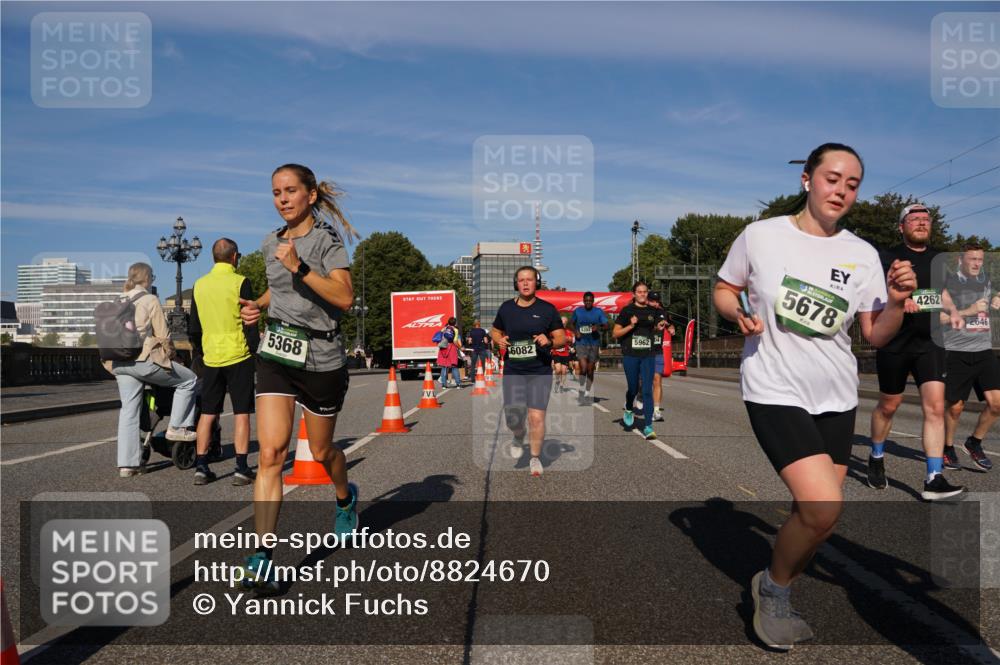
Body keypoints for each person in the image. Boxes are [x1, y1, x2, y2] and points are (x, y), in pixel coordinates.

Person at [713, 143, 915, 649]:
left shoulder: (863, 254)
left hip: (837, 394)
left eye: (852, 184)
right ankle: (775, 592)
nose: (841, 190)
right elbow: (724, 286)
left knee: (819, 519)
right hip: (773, 385)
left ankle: (773, 580)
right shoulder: (761, 235)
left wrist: (895, 303)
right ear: (807, 179)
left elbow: (875, 335)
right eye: (832, 178)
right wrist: (735, 314)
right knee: (823, 508)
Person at [238, 163, 359, 593]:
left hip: (322, 357)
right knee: (271, 453)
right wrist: (257, 304)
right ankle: (263, 555)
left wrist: (302, 267)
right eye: (275, 192)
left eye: (290, 190)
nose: (282, 198)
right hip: (278, 354)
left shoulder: (326, 240)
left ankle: (345, 498)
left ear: (310, 195)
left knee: (324, 451)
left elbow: (344, 297)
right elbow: (280, 288)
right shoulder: (272, 240)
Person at [865, 205, 964, 500]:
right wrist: (897, 301)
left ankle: (934, 478)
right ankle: (877, 455)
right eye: (914, 219)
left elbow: (943, 294)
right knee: (889, 405)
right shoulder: (886, 257)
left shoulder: (938, 260)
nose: (921, 223)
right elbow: (877, 292)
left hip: (930, 341)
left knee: (934, 407)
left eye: (926, 219)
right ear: (901, 226)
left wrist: (954, 311)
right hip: (895, 342)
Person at [107, 263, 198, 477]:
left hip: (120, 363)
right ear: (147, 278)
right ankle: (178, 427)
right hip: (143, 360)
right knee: (189, 380)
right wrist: (175, 357)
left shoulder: (117, 301)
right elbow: (164, 336)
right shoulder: (150, 299)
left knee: (128, 410)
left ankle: (127, 465)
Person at [188, 238, 259, 486]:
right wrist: (253, 350)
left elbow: (194, 327)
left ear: (213, 257)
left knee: (207, 412)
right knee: (241, 412)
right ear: (234, 256)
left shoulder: (200, 285)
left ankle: (201, 466)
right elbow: (250, 322)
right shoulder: (240, 282)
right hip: (238, 354)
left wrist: (202, 349)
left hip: (211, 356)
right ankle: (241, 467)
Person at [491, 266, 565, 477]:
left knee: (536, 417)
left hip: (539, 371)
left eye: (529, 280)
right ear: (516, 284)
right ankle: (517, 436)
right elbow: (494, 331)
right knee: (513, 418)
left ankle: (534, 457)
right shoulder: (506, 308)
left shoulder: (547, 309)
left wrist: (549, 340)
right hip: (514, 370)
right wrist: (499, 339)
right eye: (521, 280)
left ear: (536, 283)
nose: (525, 283)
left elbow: (561, 338)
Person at [942, 243, 1000, 471]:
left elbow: (995, 292)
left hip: (984, 351)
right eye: (972, 259)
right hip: (956, 352)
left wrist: (997, 298)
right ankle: (947, 448)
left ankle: (974, 443)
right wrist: (968, 311)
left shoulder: (985, 281)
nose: (976, 263)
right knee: (955, 408)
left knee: (997, 404)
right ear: (960, 261)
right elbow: (937, 320)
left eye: (980, 260)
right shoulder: (947, 285)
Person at [613, 281, 668, 440]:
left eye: (645, 291)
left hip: (648, 354)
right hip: (630, 354)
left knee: (647, 390)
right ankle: (629, 407)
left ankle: (648, 426)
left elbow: (659, 325)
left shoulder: (654, 311)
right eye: (639, 292)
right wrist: (631, 325)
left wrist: (660, 326)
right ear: (634, 294)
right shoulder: (627, 311)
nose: (642, 294)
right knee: (633, 388)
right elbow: (616, 333)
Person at [569, 291, 608, 399]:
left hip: (594, 343)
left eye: (590, 301)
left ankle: (587, 390)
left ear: (593, 301)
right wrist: (576, 331)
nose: (588, 302)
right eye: (586, 300)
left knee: (590, 370)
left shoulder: (598, 312)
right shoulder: (578, 311)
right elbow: (571, 323)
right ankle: (581, 382)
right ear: (583, 301)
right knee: (584, 368)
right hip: (581, 342)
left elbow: (606, 325)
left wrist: (598, 327)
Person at [648, 292, 675, 423]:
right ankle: (640, 395)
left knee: (657, 379)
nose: (655, 303)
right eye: (653, 301)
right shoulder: (642, 312)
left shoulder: (662, 312)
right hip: (643, 351)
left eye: (657, 301)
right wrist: (654, 327)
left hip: (657, 351)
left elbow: (669, 324)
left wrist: (671, 328)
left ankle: (656, 411)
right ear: (647, 301)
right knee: (641, 382)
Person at [437, 316, 462, 388]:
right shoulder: (455, 330)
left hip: (443, 348)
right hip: (452, 348)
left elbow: (440, 337)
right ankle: (458, 384)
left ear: (448, 322)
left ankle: (444, 385)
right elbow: (455, 341)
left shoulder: (444, 328)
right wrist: (460, 347)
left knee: (444, 366)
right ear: (455, 323)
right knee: (454, 366)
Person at [550, 323, 575, 391]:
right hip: (556, 353)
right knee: (558, 370)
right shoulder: (554, 331)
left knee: (564, 371)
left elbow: (573, 340)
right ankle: (557, 381)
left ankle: (561, 385)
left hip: (565, 354)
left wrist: (571, 346)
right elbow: (550, 340)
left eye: (564, 324)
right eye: (561, 323)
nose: (562, 325)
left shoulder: (568, 332)